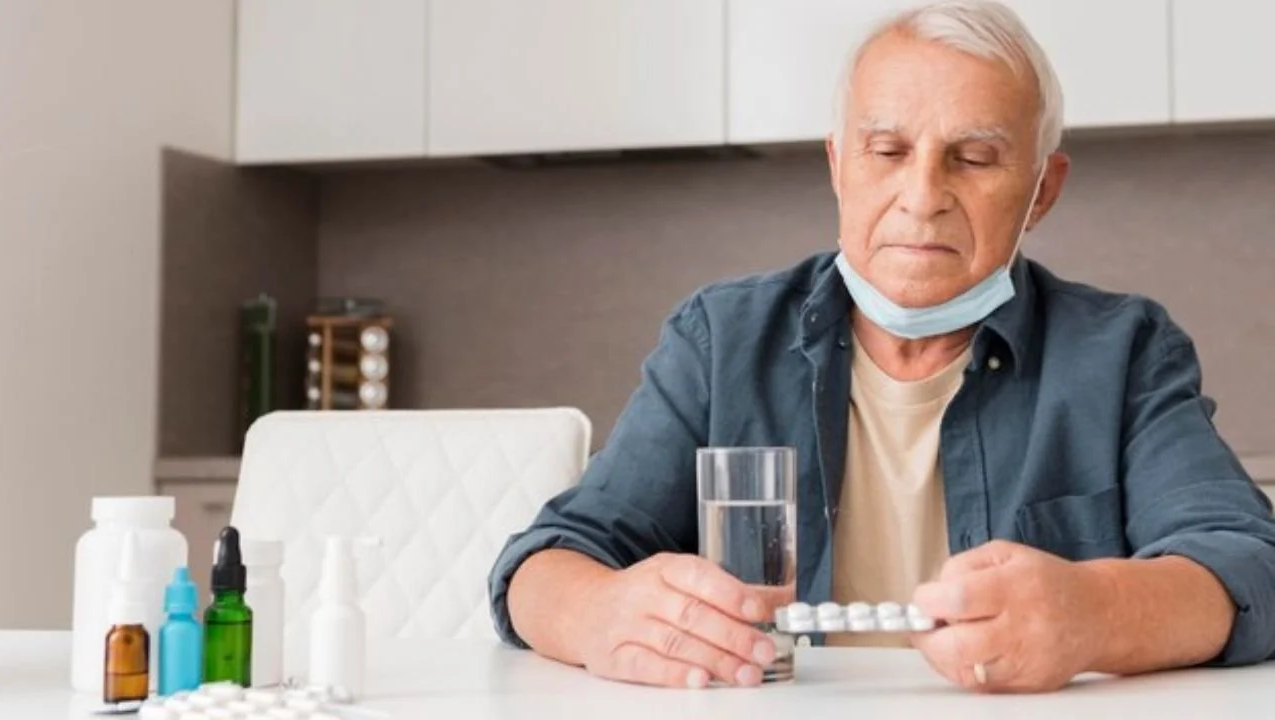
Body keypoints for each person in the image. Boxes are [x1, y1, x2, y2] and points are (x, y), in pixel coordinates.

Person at [487, 0, 1275, 693]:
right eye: (889, 152)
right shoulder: (721, 342)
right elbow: (546, 561)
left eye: (973, 158)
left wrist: (1094, 614)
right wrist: (599, 612)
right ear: (839, 165)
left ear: (1043, 190)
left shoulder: (1123, 353)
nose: (923, 197)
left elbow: (1249, 565)